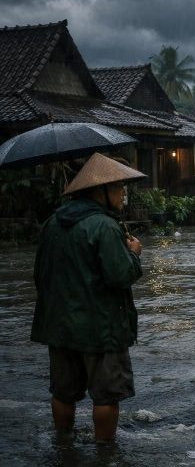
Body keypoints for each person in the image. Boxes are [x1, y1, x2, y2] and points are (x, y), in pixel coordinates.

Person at [31, 152, 147, 442]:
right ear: (101, 190)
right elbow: (120, 275)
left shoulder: (53, 223)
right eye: (119, 188)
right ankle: (105, 453)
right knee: (106, 395)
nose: (123, 195)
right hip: (101, 328)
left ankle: (63, 444)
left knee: (63, 391)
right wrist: (134, 255)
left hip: (59, 326)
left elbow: (40, 275)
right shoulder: (104, 226)